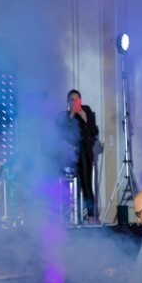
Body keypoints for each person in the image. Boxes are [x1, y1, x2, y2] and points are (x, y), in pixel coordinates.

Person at [62, 89, 99, 221]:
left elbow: (94, 132)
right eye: (72, 100)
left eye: (77, 100)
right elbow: (60, 134)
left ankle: (91, 215)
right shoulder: (63, 116)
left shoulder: (86, 111)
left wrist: (85, 118)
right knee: (68, 185)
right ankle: (69, 216)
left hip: (83, 152)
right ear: (68, 101)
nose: (74, 102)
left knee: (86, 184)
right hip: (68, 155)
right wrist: (71, 116)